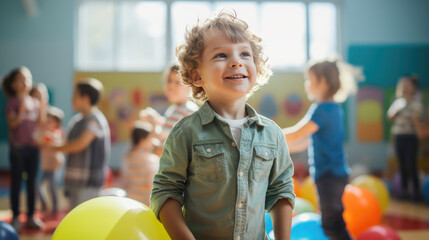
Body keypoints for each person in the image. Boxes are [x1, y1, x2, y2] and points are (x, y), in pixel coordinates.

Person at [150, 12, 295, 240]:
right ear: (197, 75)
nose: (237, 61)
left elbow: (281, 190)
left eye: (245, 54)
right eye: (221, 55)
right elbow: (166, 192)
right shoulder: (185, 132)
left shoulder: (272, 134)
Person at [283, 58, 362, 240]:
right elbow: (304, 141)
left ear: (323, 82)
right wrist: (282, 145)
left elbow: (297, 133)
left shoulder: (321, 110)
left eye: (310, 79)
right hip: (333, 175)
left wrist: (268, 132)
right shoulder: (334, 109)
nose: (307, 84)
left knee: (332, 225)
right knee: (333, 222)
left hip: (329, 176)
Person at [51, 78, 110, 208]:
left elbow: (80, 144)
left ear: (86, 98)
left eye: (75, 95)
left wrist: (53, 147)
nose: (72, 99)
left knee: (86, 216)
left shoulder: (95, 120)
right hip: (74, 179)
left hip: (88, 181)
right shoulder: (76, 121)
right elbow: (67, 142)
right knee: (74, 215)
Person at [2, 66, 45, 231]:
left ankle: (31, 216)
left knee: (32, 183)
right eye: (20, 79)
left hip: (33, 148)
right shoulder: (12, 103)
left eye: (27, 78)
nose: (25, 82)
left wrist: (41, 109)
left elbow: (40, 124)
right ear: (13, 84)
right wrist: (20, 111)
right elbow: (12, 123)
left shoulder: (34, 102)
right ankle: (15, 217)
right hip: (18, 149)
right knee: (17, 183)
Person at [139, 63, 198, 145]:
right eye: (169, 80)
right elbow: (170, 128)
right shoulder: (174, 109)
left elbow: (167, 141)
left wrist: (154, 124)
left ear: (190, 86)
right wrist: (158, 120)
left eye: (177, 82)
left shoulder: (188, 111)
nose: (171, 86)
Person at [387, 75, 423, 201]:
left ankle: (416, 193)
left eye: (407, 85)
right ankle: (405, 191)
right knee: (402, 165)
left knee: (411, 165)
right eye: (402, 85)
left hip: (410, 137)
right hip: (399, 137)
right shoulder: (398, 102)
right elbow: (390, 117)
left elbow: (417, 120)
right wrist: (396, 110)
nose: (404, 88)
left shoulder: (416, 103)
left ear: (413, 88)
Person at [34, 106, 65, 216]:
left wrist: (50, 139)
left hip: (55, 166)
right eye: (47, 120)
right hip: (45, 165)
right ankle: (44, 203)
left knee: (52, 188)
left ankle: (55, 208)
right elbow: (38, 142)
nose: (48, 123)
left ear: (57, 123)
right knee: (37, 185)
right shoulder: (43, 132)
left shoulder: (59, 133)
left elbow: (61, 143)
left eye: (51, 121)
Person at [123, 121, 159, 206]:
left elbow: (125, 178)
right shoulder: (151, 160)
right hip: (145, 204)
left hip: (131, 201)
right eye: (150, 138)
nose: (152, 142)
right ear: (142, 140)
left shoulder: (128, 156)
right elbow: (152, 187)